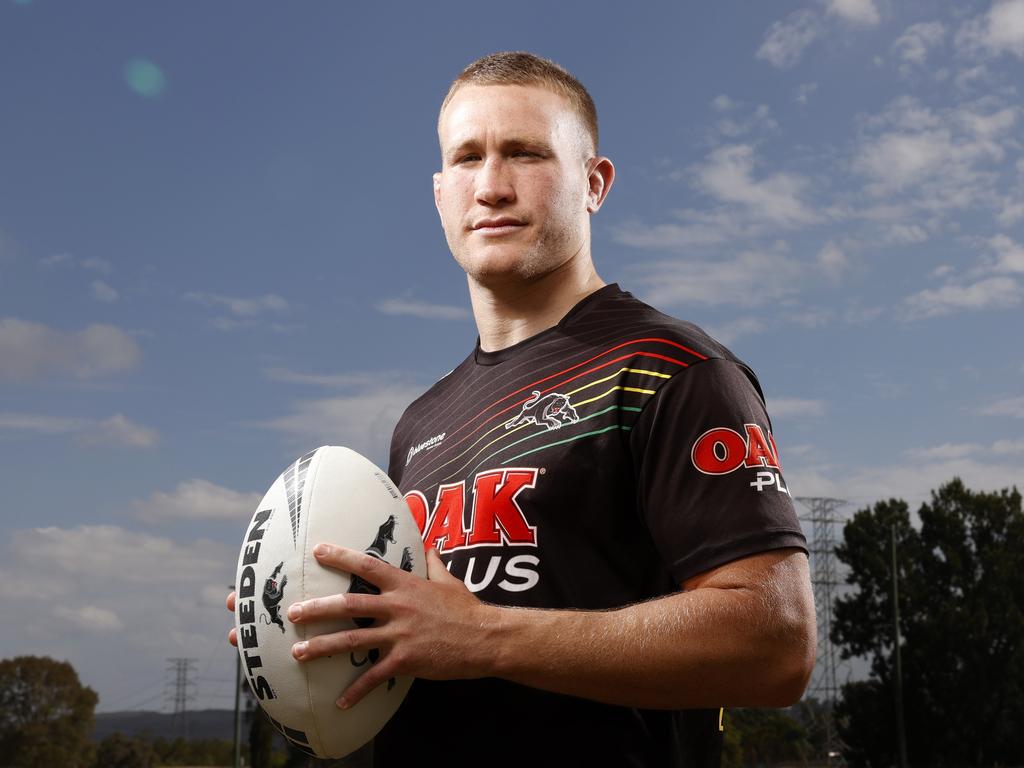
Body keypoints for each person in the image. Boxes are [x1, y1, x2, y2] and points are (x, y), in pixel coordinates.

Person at [230, 51, 815, 767]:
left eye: (526, 154)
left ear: (595, 183)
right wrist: (311, 623)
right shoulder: (420, 422)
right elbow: (424, 641)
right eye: (468, 158)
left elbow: (777, 642)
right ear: (441, 194)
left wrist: (485, 636)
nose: (492, 186)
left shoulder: (673, 370)